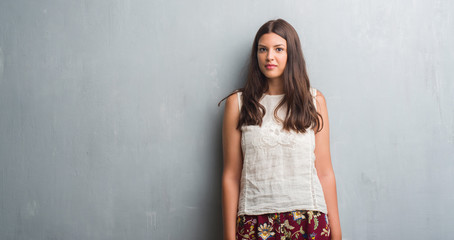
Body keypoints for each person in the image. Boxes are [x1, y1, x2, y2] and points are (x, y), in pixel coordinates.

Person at [218, 19, 341, 240]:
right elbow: (231, 176)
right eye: (262, 49)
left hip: (308, 220)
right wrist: (229, 236)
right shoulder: (238, 103)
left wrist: (337, 233)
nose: (269, 57)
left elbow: (325, 172)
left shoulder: (314, 101)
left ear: (291, 53)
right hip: (255, 222)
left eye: (278, 49)